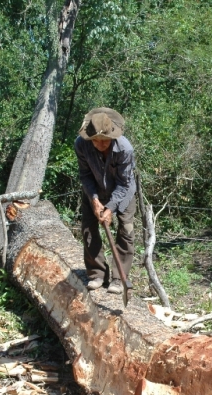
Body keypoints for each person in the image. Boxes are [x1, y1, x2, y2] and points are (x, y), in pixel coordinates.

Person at [75, 107, 136, 294]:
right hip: (93, 189)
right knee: (88, 229)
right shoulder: (81, 144)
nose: (101, 144)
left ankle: (119, 279)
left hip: (122, 192)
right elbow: (85, 175)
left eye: (105, 141)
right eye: (97, 141)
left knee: (126, 231)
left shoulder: (125, 149)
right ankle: (96, 274)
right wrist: (94, 199)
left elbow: (124, 184)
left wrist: (109, 208)